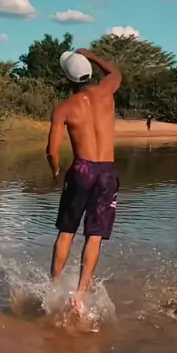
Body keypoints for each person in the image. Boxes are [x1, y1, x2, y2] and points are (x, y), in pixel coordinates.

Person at [46, 48, 122, 313]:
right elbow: (115, 72)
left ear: (67, 79)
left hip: (82, 171)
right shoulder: (107, 92)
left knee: (66, 232)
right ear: (89, 71)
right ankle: (80, 295)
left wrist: (55, 171)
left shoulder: (64, 108)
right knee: (94, 236)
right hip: (106, 172)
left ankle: (54, 287)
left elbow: (52, 152)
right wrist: (92, 55)